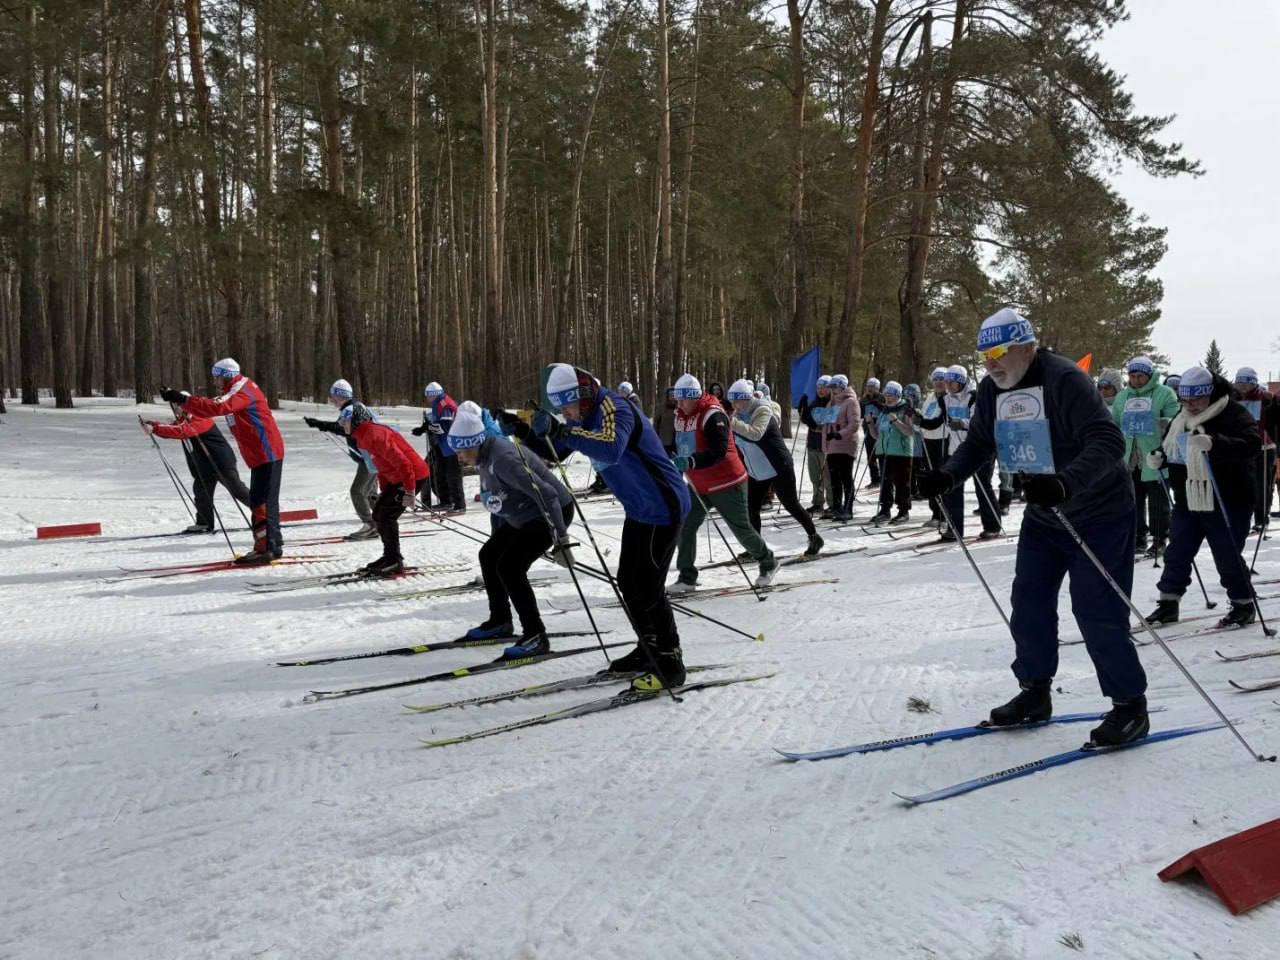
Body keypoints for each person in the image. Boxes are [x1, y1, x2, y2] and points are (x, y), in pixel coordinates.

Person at [920, 308, 1148, 746]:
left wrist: (1066, 482)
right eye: (984, 354)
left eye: (1001, 352)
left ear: (1028, 347)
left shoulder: (1064, 379)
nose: (991, 363)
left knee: (1096, 609)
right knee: (1028, 601)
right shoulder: (991, 389)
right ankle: (1034, 691)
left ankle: (1129, 706)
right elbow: (980, 443)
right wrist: (947, 475)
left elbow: (1108, 440)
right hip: (1045, 516)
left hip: (1099, 511)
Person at [501, 363, 691, 690]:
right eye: (561, 409)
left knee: (648, 586)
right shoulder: (584, 417)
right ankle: (649, 648)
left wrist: (561, 430)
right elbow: (559, 450)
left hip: (664, 506)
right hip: (640, 509)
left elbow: (610, 447)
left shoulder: (616, 407)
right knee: (628, 581)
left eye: (569, 405)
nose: (567, 413)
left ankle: (670, 661)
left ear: (584, 394)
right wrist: (524, 430)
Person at [449, 405, 576, 658]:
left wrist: (561, 540)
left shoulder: (503, 459)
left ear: (474, 443)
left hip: (550, 512)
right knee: (490, 555)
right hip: (523, 514)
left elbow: (548, 495)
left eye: (462, 451)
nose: (460, 458)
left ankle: (536, 635)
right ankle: (500, 621)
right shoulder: (484, 455)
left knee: (510, 567)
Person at [1144, 367, 1261, 629]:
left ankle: (1243, 604)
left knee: (1227, 554)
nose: (1191, 405)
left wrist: (1216, 443)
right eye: (1185, 400)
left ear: (1210, 393)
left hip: (1228, 498)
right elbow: (1170, 447)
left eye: (1196, 399)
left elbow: (1252, 443)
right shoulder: (1181, 417)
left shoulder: (1232, 412)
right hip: (1189, 498)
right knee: (1177, 552)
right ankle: (1168, 603)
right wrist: (1160, 458)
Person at [161, 359, 286, 565]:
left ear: (226, 376)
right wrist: (181, 399)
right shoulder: (235, 390)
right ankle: (273, 545)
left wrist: (182, 398)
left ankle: (267, 548)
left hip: (266, 451)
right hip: (260, 453)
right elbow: (213, 405)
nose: (216, 381)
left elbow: (218, 407)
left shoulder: (242, 389)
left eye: (217, 377)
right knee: (260, 500)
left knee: (261, 501)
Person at [669, 373, 778, 592]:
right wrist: (675, 460)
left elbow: (718, 452)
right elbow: (679, 444)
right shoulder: (680, 415)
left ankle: (768, 562)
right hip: (698, 482)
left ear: (694, 397)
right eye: (677, 399)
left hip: (726, 482)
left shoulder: (713, 415)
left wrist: (690, 461)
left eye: (683, 399)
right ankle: (687, 576)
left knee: (741, 529)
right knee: (685, 526)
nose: (679, 403)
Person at [728, 378, 823, 556]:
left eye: (737, 402)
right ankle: (755, 547)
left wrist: (731, 423)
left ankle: (814, 536)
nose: (734, 406)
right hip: (758, 469)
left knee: (791, 504)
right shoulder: (739, 414)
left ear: (746, 399)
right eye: (732, 402)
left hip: (779, 465)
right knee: (752, 507)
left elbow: (755, 434)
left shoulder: (762, 410)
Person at [341, 403, 430, 576]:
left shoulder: (374, 434)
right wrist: (384, 489)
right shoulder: (363, 437)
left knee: (386, 516)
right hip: (398, 478)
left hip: (413, 474)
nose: (342, 424)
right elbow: (379, 465)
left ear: (357, 420)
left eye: (345, 421)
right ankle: (389, 557)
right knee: (379, 514)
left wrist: (410, 490)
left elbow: (403, 462)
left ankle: (394, 561)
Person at [141, 405, 251, 534]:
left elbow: (181, 431)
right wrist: (152, 425)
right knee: (201, 492)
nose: (175, 409)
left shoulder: (200, 417)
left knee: (237, 489)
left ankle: (265, 513)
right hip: (205, 464)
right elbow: (174, 428)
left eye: (178, 405)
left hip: (220, 461)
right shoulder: (185, 419)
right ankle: (204, 523)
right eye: (174, 406)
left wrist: (155, 428)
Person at [1112, 356, 1179, 558]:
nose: (1136, 379)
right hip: (1130, 457)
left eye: (1140, 375)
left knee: (1158, 502)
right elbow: (1114, 423)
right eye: (1132, 375)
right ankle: (1138, 537)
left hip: (1154, 455)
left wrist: (1161, 437)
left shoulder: (1165, 394)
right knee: (1133, 502)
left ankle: (1160, 539)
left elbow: (1174, 424)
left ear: (1149, 375)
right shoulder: (1122, 397)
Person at [303, 378, 379, 540]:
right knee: (371, 494)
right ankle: (383, 522)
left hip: (368, 457)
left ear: (340, 395)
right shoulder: (360, 406)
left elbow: (343, 428)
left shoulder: (349, 409)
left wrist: (319, 424)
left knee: (358, 492)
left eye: (333, 396)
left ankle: (370, 525)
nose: (332, 400)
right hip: (375, 455)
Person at [944, 364, 1003, 538]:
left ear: (961, 382)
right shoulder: (947, 399)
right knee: (953, 487)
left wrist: (962, 423)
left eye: (952, 382)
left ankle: (992, 525)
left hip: (979, 448)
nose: (949, 386)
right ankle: (954, 528)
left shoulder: (974, 397)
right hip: (956, 448)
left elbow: (979, 420)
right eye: (947, 382)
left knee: (982, 486)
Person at [1232, 367, 1280, 532]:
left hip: (1264, 447)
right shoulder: (1233, 398)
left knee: (1262, 484)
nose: (1242, 386)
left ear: (1253, 383)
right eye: (1239, 382)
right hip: (1242, 446)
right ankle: (1243, 517)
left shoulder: (1265, 397)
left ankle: (1261, 518)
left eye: (1246, 382)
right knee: (1243, 484)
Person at [412, 381, 465, 512]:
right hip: (442, 446)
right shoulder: (437, 404)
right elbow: (435, 422)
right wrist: (424, 427)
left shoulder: (445, 404)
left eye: (428, 395)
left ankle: (459, 504)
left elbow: (445, 427)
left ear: (434, 394)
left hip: (452, 447)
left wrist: (429, 428)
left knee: (453, 476)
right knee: (439, 473)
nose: (427, 398)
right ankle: (445, 501)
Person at [869, 382, 915, 525]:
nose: (889, 398)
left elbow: (910, 431)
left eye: (892, 395)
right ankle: (885, 510)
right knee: (885, 482)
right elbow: (876, 435)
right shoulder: (884, 410)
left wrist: (895, 420)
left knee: (902, 483)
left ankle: (903, 511)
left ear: (898, 395)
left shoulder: (906, 409)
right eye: (887, 395)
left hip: (901, 452)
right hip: (884, 451)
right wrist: (870, 424)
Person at [822, 374, 862, 520]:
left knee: (845, 477)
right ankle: (837, 507)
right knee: (834, 478)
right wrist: (825, 444)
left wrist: (840, 434)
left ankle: (848, 509)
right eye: (832, 387)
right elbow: (826, 424)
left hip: (846, 445)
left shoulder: (851, 401)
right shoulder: (831, 403)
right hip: (832, 445)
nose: (834, 390)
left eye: (836, 387)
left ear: (842, 386)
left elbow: (854, 423)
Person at [915, 368, 951, 525]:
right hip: (928, 441)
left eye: (942, 379)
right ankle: (936, 513)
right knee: (930, 478)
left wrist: (921, 422)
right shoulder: (930, 398)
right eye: (936, 379)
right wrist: (916, 417)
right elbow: (924, 419)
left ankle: (945, 514)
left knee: (941, 478)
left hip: (943, 440)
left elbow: (936, 423)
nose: (938, 382)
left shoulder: (949, 398)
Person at [797, 374, 834, 515]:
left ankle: (832, 504)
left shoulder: (832, 403)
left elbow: (825, 424)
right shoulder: (814, 403)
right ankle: (818, 503)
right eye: (818, 387)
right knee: (814, 477)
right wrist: (804, 412)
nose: (821, 390)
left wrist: (812, 423)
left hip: (826, 446)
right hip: (812, 444)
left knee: (828, 478)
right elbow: (809, 422)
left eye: (824, 387)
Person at [860, 377, 884, 487]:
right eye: (868, 387)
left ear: (878, 388)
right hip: (867, 428)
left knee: (881, 455)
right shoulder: (864, 399)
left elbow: (886, 409)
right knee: (871, 456)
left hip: (879, 430)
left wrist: (877, 403)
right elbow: (860, 413)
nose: (870, 389)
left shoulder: (882, 398)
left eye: (873, 387)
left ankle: (885, 479)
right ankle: (875, 479)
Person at [653, 388, 679, 456]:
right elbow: (656, 424)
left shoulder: (680, 407)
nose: (672, 397)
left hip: (678, 440)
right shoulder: (661, 408)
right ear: (667, 397)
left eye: (674, 395)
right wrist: (656, 438)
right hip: (665, 440)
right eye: (671, 395)